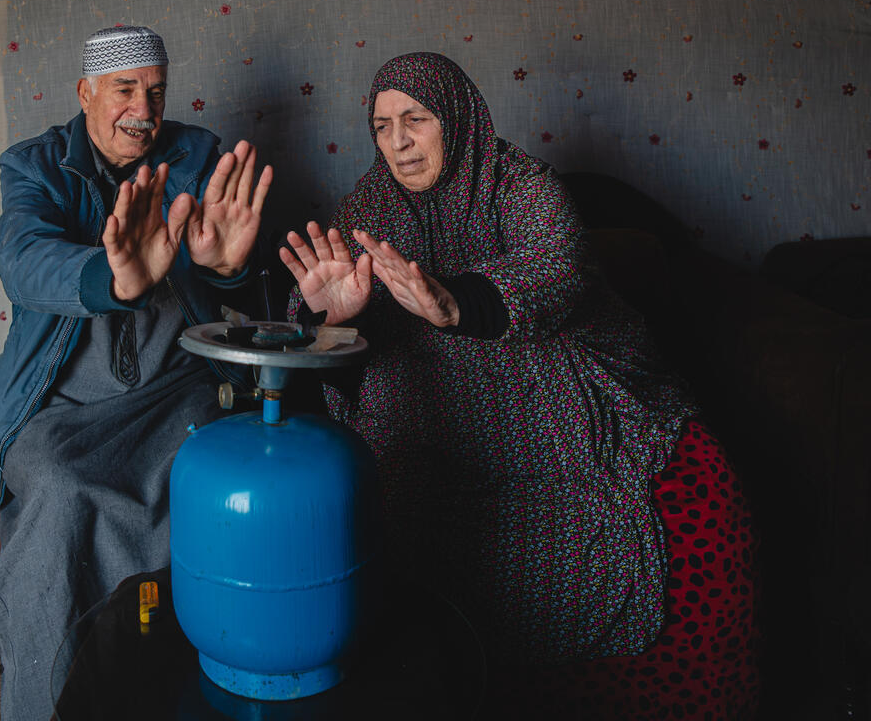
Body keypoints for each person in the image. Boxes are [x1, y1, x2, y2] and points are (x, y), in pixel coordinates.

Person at [280, 51, 758, 717]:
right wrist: (333, 318)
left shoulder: (523, 186)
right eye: (382, 124)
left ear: (457, 118)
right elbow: (340, 351)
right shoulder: (368, 206)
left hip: (545, 374)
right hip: (436, 397)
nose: (398, 141)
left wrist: (453, 306)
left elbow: (561, 273)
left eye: (415, 119)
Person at [0, 25, 271, 721]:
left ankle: (177, 678)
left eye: (156, 91)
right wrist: (109, 276)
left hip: (177, 392)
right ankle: (46, 694)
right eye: (125, 89)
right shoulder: (34, 165)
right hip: (61, 405)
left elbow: (225, 251)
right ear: (85, 93)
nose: (144, 107)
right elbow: (22, 260)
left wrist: (226, 267)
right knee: (59, 483)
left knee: (227, 474)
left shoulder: (197, 155)